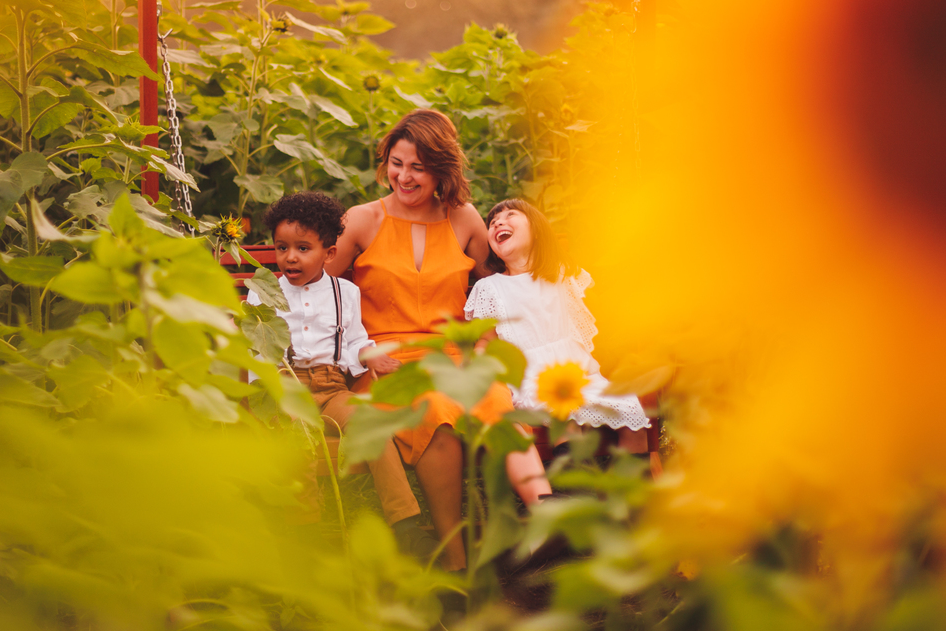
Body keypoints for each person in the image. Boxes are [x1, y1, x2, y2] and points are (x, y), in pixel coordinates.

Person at [327, 109, 551, 572]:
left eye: (418, 167)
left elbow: (496, 285)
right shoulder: (361, 221)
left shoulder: (464, 218)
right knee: (435, 411)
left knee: (496, 401)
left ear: (441, 170)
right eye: (396, 163)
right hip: (386, 363)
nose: (403, 177)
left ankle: (546, 522)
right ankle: (455, 558)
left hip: (455, 356)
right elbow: (317, 290)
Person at [247, 191, 435, 557]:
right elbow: (256, 345)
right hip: (287, 386)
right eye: (282, 247)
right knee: (297, 439)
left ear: (329, 253)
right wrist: (263, 394)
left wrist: (369, 356)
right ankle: (306, 533)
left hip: (332, 387)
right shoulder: (263, 292)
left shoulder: (343, 292)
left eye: (303, 248)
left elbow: (353, 340)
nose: (290, 257)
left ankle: (405, 524)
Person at [464, 198, 651, 436]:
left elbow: (601, 314)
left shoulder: (563, 275)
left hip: (580, 376)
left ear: (537, 230)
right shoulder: (490, 288)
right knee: (564, 418)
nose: (498, 223)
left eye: (510, 215)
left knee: (630, 413)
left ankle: (634, 469)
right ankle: (571, 470)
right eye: (492, 223)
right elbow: (486, 340)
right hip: (530, 380)